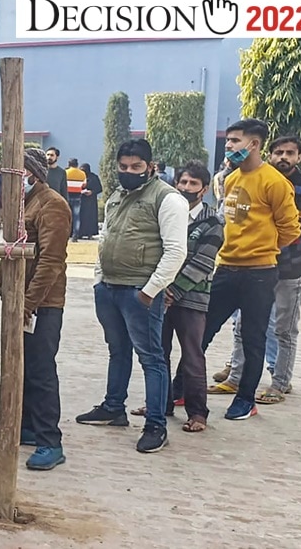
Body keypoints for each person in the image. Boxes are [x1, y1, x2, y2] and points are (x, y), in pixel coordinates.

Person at [76, 139, 187, 453]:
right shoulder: (117, 195)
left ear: (150, 167)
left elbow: (176, 251)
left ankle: (155, 425)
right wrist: (99, 279)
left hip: (140, 292)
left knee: (152, 359)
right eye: (123, 167)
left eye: (136, 167)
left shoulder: (168, 199)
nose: (128, 172)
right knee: (118, 350)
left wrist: (150, 291)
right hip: (109, 287)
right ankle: (114, 408)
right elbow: (106, 236)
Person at [212, 136, 301, 404]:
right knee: (244, 325)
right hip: (255, 266)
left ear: (299, 157)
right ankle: (236, 377)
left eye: (290, 153)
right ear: (268, 154)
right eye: (278, 152)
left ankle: (279, 383)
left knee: (284, 329)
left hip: (289, 271)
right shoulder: (255, 181)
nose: (284, 157)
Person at [201, 119, 300, 421]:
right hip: (226, 268)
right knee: (201, 331)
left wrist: (261, 247)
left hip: (259, 272)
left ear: (254, 144)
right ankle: (183, 388)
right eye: (228, 141)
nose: (229, 146)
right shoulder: (231, 180)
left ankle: (245, 399)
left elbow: (290, 230)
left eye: (234, 141)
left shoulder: (274, 182)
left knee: (253, 337)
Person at [0, 148, 70, 470]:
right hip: (20, 302)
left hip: (43, 304)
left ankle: (50, 440)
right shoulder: (22, 203)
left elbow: (51, 262)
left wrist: (28, 304)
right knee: (20, 368)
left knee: (40, 371)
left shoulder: (53, 205)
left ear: (31, 174)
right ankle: (25, 427)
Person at [141, 162, 222, 434]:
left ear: (204, 189)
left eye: (193, 184)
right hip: (160, 295)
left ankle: (198, 413)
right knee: (157, 353)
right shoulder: (167, 213)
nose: (187, 188)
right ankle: (160, 405)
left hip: (191, 298)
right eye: (183, 182)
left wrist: (172, 292)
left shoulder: (213, 221)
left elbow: (203, 263)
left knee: (192, 357)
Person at [78, 163, 102, 239]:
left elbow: (99, 188)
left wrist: (92, 192)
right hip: (81, 200)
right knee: (80, 217)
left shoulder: (94, 177)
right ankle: (80, 233)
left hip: (91, 201)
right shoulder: (79, 177)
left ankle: (90, 234)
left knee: (90, 217)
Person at [65, 158, 86, 241]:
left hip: (67, 196)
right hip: (77, 196)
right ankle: (75, 235)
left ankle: (66, 234)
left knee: (66, 216)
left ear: (69, 164)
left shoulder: (66, 172)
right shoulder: (82, 173)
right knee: (76, 217)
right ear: (77, 164)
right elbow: (84, 185)